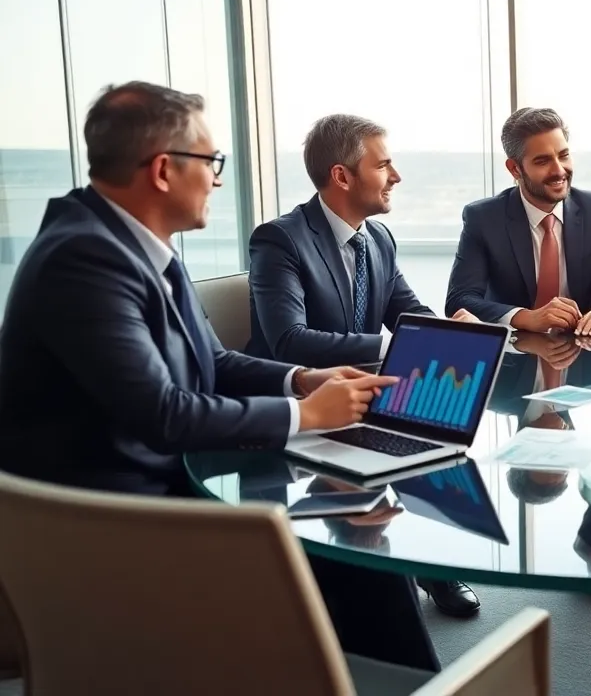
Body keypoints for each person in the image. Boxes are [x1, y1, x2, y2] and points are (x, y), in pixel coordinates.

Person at [0, 82, 441, 671]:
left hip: (161, 486)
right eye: (211, 162)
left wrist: (302, 381)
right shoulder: (84, 260)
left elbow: (216, 364)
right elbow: (164, 414)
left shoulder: (138, 245)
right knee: (337, 544)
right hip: (107, 524)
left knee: (347, 527)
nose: (217, 178)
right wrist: (307, 416)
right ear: (162, 170)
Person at [244, 113, 481, 618]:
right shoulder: (280, 240)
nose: (395, 177)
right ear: (342, 176)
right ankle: (381, 575)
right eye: (385, 165)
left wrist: (455, 332)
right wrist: (392, 343)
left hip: (366, 396)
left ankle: (427, 564)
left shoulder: (377, 240)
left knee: (438, 428)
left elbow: (409, 313)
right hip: (299, 404)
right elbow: (289, 340)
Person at [444, 107, 591, 334]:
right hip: (513, 354)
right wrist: (526, 317)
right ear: (515, 169)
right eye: (543, 161)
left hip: (581, 349)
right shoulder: (484, 218)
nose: (559, 170)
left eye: (563, 155)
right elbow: (459, 299)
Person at [490, 330, 591, 600]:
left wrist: (522, 339)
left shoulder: (495, 394)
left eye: (547, 460)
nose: (561, 452)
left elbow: (481, 335)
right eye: (563, 465)